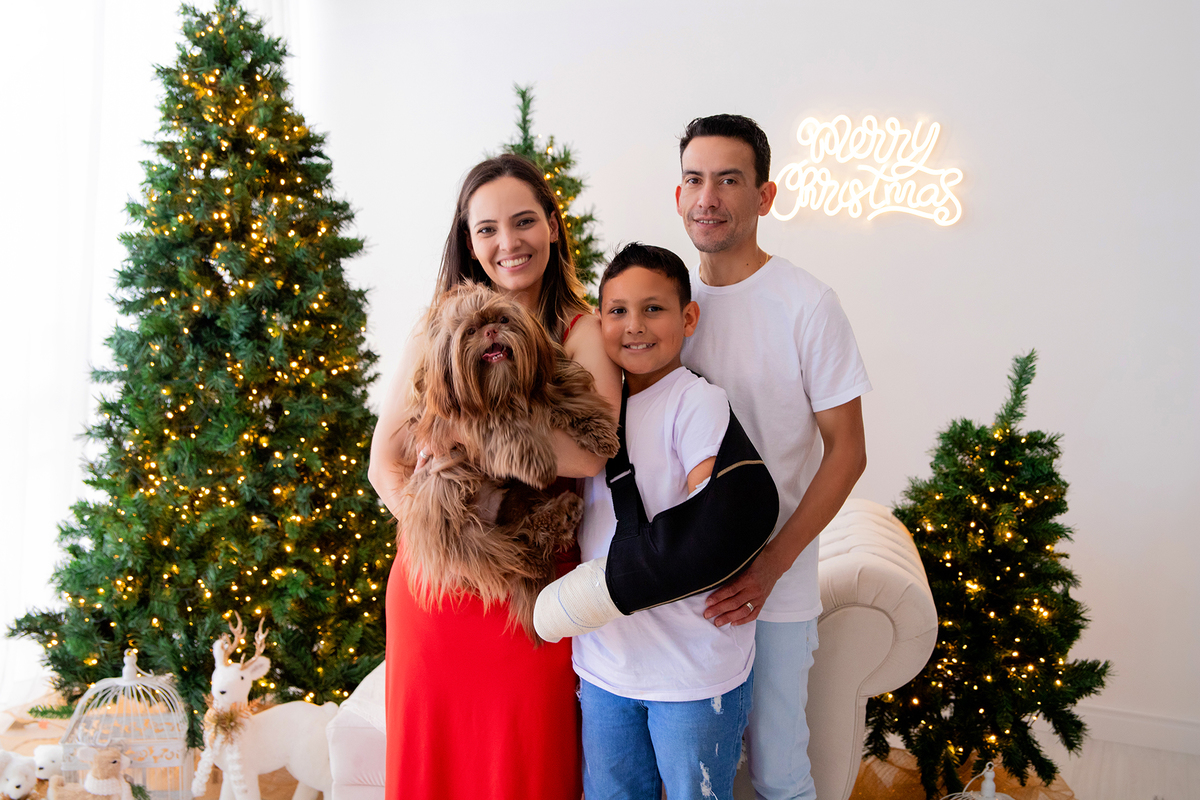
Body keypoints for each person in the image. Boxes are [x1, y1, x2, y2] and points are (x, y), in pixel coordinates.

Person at [367, 153, 621, 800]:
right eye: (487, 229)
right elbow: (384, 461)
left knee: (527, 765)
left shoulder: (581, 330)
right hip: (437, 595)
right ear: (468, 240)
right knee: (436, 771)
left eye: (524, 221)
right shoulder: (433, 328)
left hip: (533, 592)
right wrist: (443, 536)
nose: (508, 243)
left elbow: (588, 454)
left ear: (554, 227)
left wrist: (464, 433)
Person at [676, 114, 871, 800]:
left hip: (772, 589)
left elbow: (848, 451)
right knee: (690, 774)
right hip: (676, 585)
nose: (710, 197)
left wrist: (770, 567)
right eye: (696, 179)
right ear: (678, 196)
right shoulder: (663, 305)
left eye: (730, 180)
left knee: (778, 770)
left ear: (765, 196)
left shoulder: (806, 305)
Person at [568, 242, 754, 800]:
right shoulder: (593, 409)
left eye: (654, 309)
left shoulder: (696, 402)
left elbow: (714, 520)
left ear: (687, 317)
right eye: (618, 311)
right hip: (605, 666)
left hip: (693, 671)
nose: (634, 326)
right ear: (599, 321)